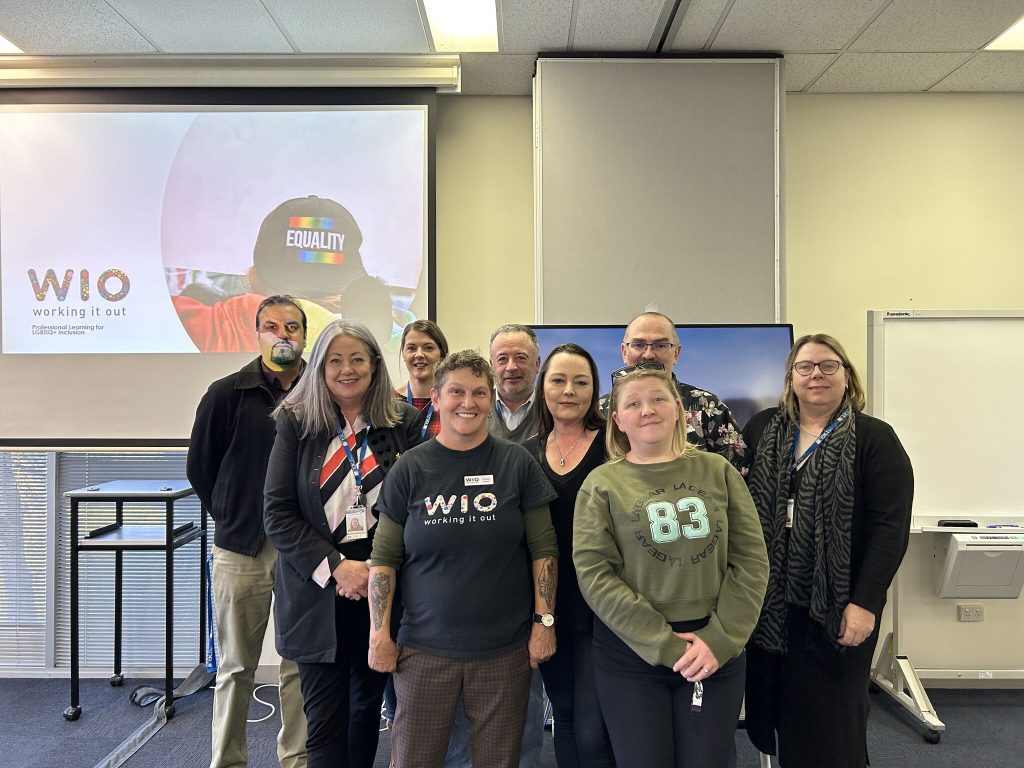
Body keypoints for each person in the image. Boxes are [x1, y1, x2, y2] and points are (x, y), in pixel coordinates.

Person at [367, 350, 559, 768]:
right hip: (422, 652)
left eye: (478, 392)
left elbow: (544, 551)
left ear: (491, 400)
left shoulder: (517, 463)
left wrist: (544, 623)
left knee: (498, 760)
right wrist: (379, 632)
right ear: (436, 397)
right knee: (414, 758)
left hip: (504, 653)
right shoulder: (410, 469)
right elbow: (384, 560)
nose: (467, 402)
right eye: (456, 391)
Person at [574, 368, 768, 768]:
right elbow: (595, 573)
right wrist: (663, 643)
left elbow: (750, 560)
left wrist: (721, 638)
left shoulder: (719, 471)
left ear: (679, 409)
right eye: (633, 403)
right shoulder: (601, 484)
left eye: (659, 399)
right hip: (631, 655)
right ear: (618, 419)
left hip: (713, 650)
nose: (648, 410)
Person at [742, 334, 913, 768]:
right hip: (772, 604)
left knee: (833, 723)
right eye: (805, 367)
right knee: (782, 714)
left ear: (847, 376)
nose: (816, 374)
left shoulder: (875, 438)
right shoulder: (762, 428)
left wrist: (864, 603)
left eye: (828, 365)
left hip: (837, 605)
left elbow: (889, 528)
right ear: (791, 378)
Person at [263, 319, 422, 768]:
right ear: (319, 367)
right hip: (318, 590)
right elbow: (276, 513)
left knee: (366, 710)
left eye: (357, 359)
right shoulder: (297, 423)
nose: (346, 369)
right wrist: (336, 567)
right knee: (325, 720)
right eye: (335, 360)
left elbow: (417, 509)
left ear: (374, 365)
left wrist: (376, 569)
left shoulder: (404, 423)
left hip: (383, 583)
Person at [187, 294, 309, 768]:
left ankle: (295, 759)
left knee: (299, 664)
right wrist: (232, 516)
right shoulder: (226, 393)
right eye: (273, 326)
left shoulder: (316, 393)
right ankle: (228, 761)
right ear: (257, 334)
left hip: (302, 549)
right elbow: (201, 467)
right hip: (242, 549)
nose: (284, 334)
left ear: (304, 334)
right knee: (237, 666)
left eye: (293, 327)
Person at [523, 344, 615, 768]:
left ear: (595, 390)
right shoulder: (526, 454)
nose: (569, 391)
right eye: (558, 380)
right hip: (549, 605)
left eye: (581, 382)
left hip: (605, 605)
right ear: (543, 387)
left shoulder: (616, 447)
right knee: (564, 715)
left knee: (595, 727)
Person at [598, 312, 749, 476]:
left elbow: (738, 477)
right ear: (624, 352)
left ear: (676, 353)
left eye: (660, 345)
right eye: (638, 344)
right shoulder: (600, 409)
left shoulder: (709, 407)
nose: (648, 354)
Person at [394, 319, 449, 439]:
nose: (419, 354)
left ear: (442, 354)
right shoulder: (387, 401)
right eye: (411, 348)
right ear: (403, 354)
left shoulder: (451, 402)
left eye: (428, 348)